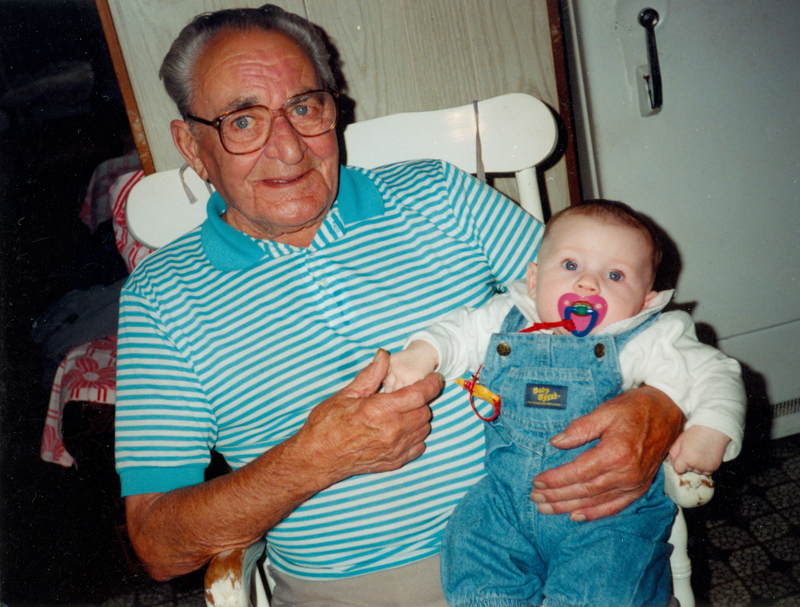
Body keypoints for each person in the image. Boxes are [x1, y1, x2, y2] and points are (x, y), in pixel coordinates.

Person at [114, 6, 685, 605]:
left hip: (567, 538)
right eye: (242, 121)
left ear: (335, 109)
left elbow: (621, 311)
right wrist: (313, 461)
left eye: (305, 107)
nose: (286, 149)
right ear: (193, 146)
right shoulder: (160, 298)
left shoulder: (439, 195)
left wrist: (659, 403)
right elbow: (156, 541)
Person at [386, 200, 745, 607]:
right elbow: (458, 330)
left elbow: (715, 372)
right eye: (571, 266)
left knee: (601, 589)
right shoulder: (507, 318)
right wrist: (424, 352)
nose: (589, 284)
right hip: (504, 503)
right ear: (535, 280)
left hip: (607, 517)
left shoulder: (647, 337)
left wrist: (712, 427)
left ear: (646, 301)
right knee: (470, 551)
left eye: (615, 275)